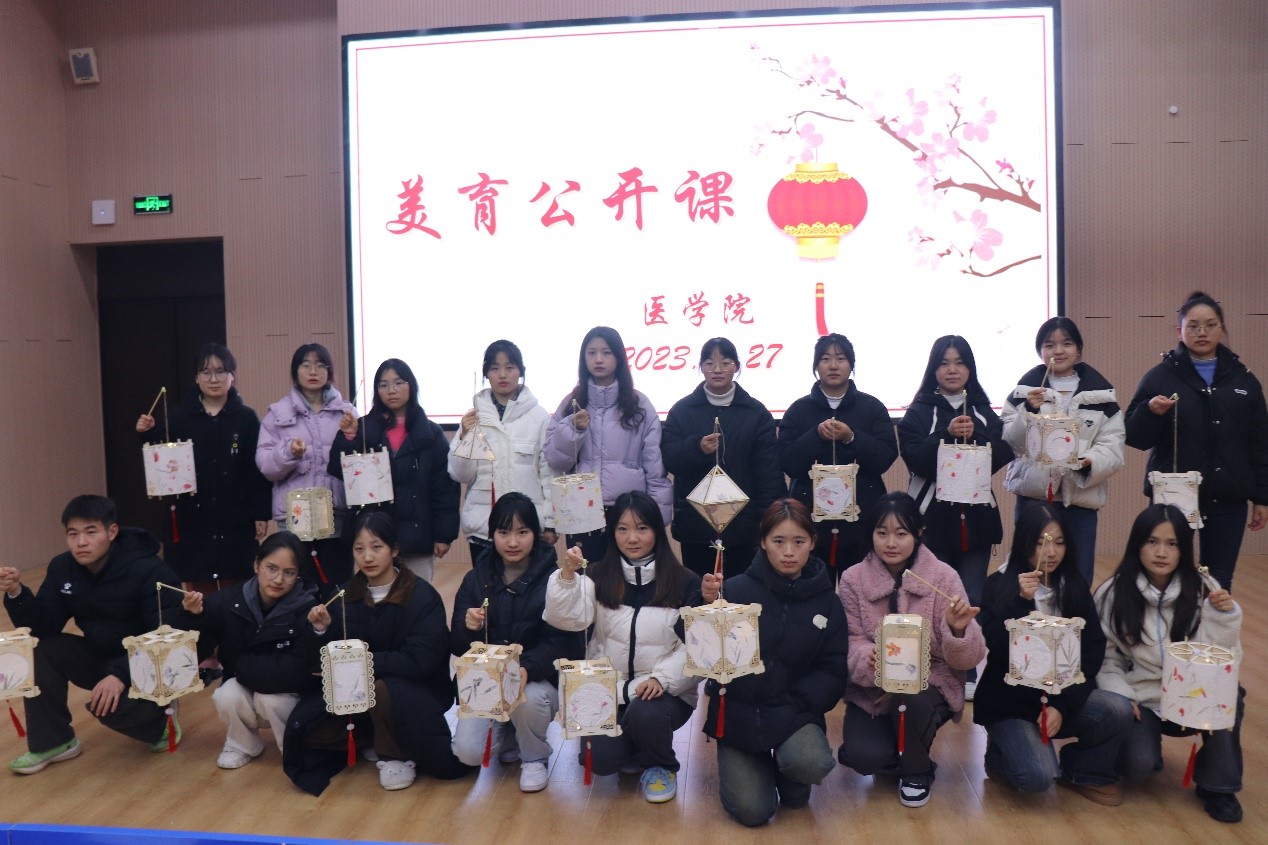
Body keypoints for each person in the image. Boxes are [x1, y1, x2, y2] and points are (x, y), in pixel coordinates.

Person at [283, 511, 470, 794]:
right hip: (357, 690)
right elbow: (325, 656)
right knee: (309, 734)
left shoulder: (422, 596)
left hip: (416, 689)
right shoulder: (343, 595)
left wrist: (363, 663)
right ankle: (372, 734)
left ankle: (395, 756)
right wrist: (322, 630)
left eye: (376, 547)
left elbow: (422, 660)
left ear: (394, 550)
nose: (367, 557)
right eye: (359, 549)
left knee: (381, 688)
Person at [1, 495, 184, 774]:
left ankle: (163, 722)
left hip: (149, 664)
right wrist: (16, 592)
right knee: (41, 647)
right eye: (72, 534)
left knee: (109, 707)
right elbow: (44, 627)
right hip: (100, 655)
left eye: (90, 532)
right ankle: (54, 742)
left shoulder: (149, 569)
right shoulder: (63, 567)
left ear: (112, 532)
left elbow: (164, 636)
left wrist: (121, 675)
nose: (81, 542)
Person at [697, 499, 847, 827]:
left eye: (799, 541)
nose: (788, 552)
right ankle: (759, 769)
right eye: (778, 541)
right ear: (763, 542)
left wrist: (796, 703)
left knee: (809, 764)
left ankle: (790, 775)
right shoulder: (733, 590)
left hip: (793, 712)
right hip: (739, 715)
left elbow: (833, 670)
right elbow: (699, 649)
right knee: (753, 811)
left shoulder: (828, 603)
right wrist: (704, 604)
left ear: (813, 542)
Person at [1095, 503, 1245, 823]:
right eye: (1152, 541)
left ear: (1184, 550)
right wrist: (1121, 694)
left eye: (1172, 543)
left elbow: (1223, 658)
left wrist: (1225, 617)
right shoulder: (1112, 593)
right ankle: (1146, 750)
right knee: (1138, 767)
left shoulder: (1206, 588)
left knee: (1233, 693)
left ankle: (1217, 787)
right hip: (1143, 697)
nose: (1161, 552)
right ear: (1137, 544)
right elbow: (1105, 657)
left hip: (1194, 693)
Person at [974, 502, 1132, 804]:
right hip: (1012, 705)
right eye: (1040, 542)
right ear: (1024, 543)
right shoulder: (999, 583)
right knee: (1038, 777)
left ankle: (1082, 770)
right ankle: (998, 754)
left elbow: (1091, 651)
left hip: (1059, 698)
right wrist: (1021, 601)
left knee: (1118, 709)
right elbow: (997, 644)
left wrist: (1060, 706)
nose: (1051, 552)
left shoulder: (1072, 585)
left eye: (1059, 543)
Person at [544, 491, 698, 803]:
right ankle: (636, 746)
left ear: (657, 531)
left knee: (645, 713)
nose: (632, 538)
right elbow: (566, 619)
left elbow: (696, 649)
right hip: (610, 689)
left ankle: (660, 765)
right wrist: (568, 576)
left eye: (642, 528)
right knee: (600, 760)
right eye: (622, 529)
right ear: (612, 532)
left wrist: (662, 678)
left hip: (663, 692)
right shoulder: (597, 575)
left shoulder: (684, 581)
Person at [837, 492, 984, 808]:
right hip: (873, 690)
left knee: (910, 698)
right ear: (871, 534)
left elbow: (970, 657)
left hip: (929, 686)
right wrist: (866, 656)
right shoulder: (853, 579)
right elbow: (849, 639)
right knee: (864, 757)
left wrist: (958, 629)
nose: (891, 543)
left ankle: (916, 772)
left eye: (901, 534)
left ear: (918, 533)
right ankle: (893, 753)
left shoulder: (943, 577)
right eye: (882, 533)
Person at [1124, 291, 1268, 589]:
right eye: (1193, 326)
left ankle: (1211, 623)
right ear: (1180, 331)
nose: (1202, 332)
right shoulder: (1159, 377)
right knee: (1167, 578)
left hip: (1228, 498)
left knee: (1218, 583)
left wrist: (1262, 498)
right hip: (1174, 497)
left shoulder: (1244, 380)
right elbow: (1134, 436)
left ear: (1222, 329)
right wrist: (1150, 412)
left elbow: (1260, 443)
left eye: (1210, 325)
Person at [449, 492, 581, 792]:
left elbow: (565, 643)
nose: (512, 542)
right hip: (487, 683)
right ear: (491, 534)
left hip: (535, 680)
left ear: (536, 534)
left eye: (522, 532)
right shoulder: (475, 578)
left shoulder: (555, 579)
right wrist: (467, 628)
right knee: (468, 753)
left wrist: (527, 668)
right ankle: (510, 737)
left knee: (529, 699)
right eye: (503, 532)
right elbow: (456, 646)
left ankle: (535, 757)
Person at [136, 342, 271, 593]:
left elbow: (256, 471)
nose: (214, 379)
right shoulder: (177, 417)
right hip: (191, 516)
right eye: (206, 372)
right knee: (195, 589)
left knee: (237, 584)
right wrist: (147, 433)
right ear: (196, 378)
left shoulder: (246, 418)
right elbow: (161, 461)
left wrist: (260, 513)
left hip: (236, 515)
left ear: (232, 376)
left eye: (221, 371)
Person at [179, 531, 319, 769]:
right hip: (245, 681)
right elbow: (195, 652)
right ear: (256, 565)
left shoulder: (308, 607)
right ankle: (242, 744)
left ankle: (294, 746)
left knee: (271, 700)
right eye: (271, 568)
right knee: (226, 695)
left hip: (286, 689)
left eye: (289, 572)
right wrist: (193, 617)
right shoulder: (226, 601)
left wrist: (243, 667)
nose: (278, 579)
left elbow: (301, 668)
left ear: (298, 575)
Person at [1002, 317, 1124, 586]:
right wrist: (1028, 411)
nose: (1058, 351)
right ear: (1040, 351)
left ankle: (1074, 616)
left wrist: (1090, 461)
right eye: (1049, 345)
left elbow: (1113, 443)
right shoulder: (1024, 392)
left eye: (1066, 344)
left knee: (1078, 576)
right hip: (1034, 497)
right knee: (1029, 572)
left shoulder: (1101, 394)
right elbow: (1010, 442)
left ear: (1078, 350)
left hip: (1079, 500)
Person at [898, 335, 1013, 611]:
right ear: (933, 369)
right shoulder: (918, 412)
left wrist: (976, 437)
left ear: (970, 368)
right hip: (930, 523)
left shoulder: (983, 411)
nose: (952, 370)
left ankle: (967, 641)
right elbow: (916, 461)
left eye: (960, 363)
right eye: (944, 363)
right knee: (931, 600)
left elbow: (1002, 454)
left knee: (971, 599)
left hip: (978, 524)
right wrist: (945, 434)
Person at [544, 326, 672, 562]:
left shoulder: (639, 405)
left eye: (606, 352)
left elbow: (654, 466)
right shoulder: (572, 403)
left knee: (626, 577)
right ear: (584, 358)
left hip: (627, 510)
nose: (598, 359)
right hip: (581, 507)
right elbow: (554, 459)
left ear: (619, 357)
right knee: (586, 576)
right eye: (591, 353)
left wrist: (657, 515)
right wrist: (574, 429)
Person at [662, 337, 783, 580]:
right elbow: (670, 459)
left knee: (742, 594)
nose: (717, 370)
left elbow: (768, 473)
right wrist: (697, 448)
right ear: (701, 367)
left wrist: (769, 522)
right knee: (699, 593)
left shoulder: (756, 413)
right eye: (709, 363)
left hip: (743, 527)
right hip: (696, 526)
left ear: (736, 366)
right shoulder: (681, 411)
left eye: (725, 363)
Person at [329, 357, 459, 584]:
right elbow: (339, 470)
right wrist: (349, 437)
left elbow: (444, 488)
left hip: (417, 537)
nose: (391, 390)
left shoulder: (431, 433)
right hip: (373, 536)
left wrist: (443, 535)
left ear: (411, 385)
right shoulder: (363, 428)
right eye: (384, 384)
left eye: (398, 383)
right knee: (375, 598)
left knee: (417, 597)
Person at [778, 333, 898, 574]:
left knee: (862, 589)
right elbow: (788, 462)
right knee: (812, 588)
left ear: (851, 365)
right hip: (810, 522)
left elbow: (885, 457)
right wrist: (815, 436)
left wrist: (851, 437)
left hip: (862, 520)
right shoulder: (798, 410)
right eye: (825, 359)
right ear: (816, 366)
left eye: (840, 359)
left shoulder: (872, 407)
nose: (833, 366)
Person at [257, 342, 355, 593]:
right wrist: (289, 452)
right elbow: (266, 465)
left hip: (336, 516)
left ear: (329, 372)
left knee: (337, 590)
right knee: (295, 590)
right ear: (295, 371)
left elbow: (359, 462)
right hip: (295, 517)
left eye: (321, 365)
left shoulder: (347, 413)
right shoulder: (277, 413)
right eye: (306, 365)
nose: (313, 371)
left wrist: (352, 435)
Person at [447, 340, 557, 562]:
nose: (502, 374)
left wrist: (551, 523)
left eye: (509, 367)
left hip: (527, 527)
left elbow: (548, 474)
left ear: (520, 371)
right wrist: (464, 437)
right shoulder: (474, 417)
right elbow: (461, 475)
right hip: (484, 528)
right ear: (486, 374)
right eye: (495, 368)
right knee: (485, 585)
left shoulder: (539, 417)